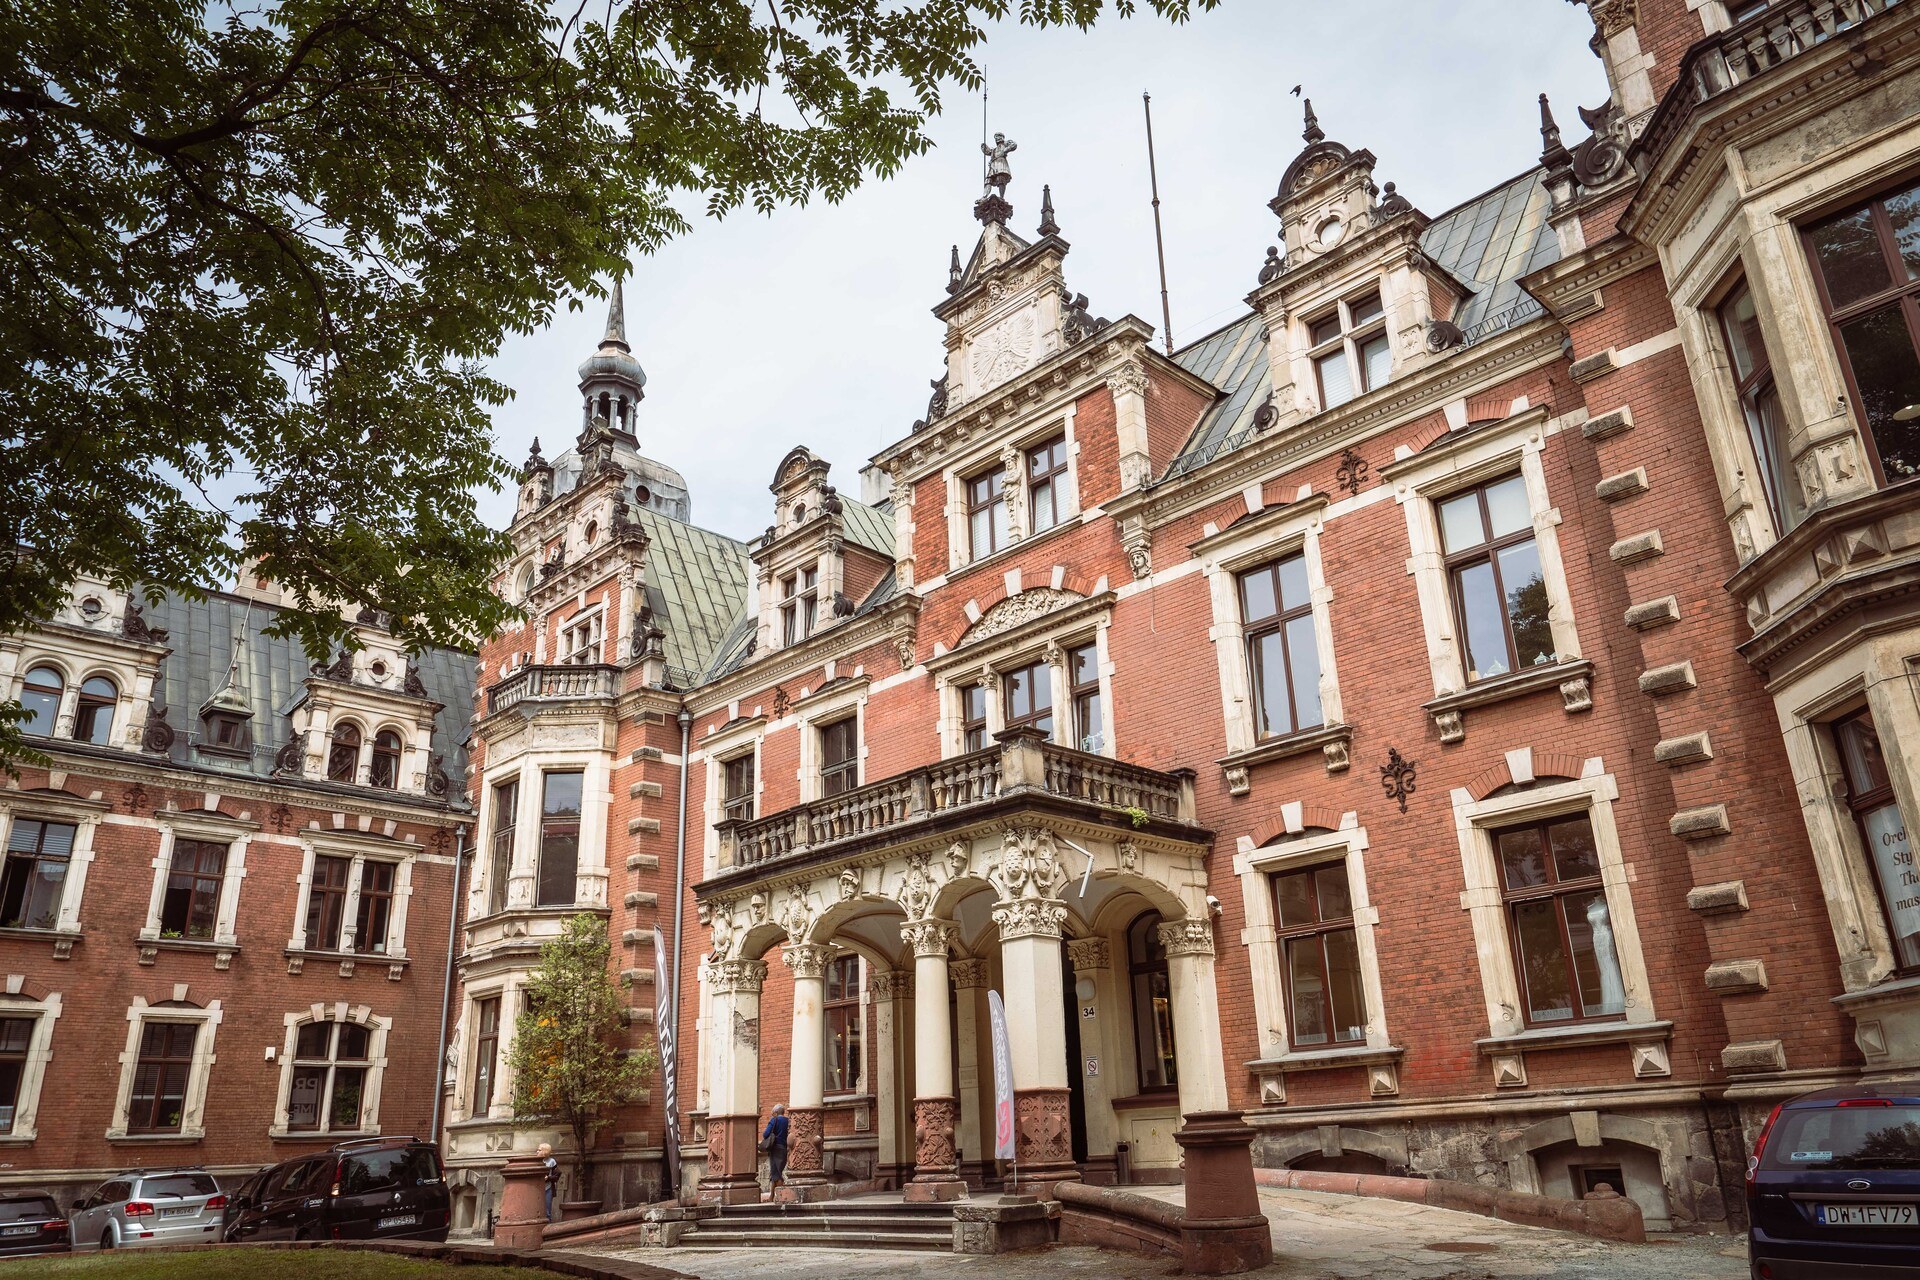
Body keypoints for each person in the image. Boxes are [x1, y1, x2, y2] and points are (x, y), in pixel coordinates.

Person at [761, 1102, 789, 1199]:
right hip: (784, 1148)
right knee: (776, 1172)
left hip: (775, 1148)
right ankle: (772, 1196)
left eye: (773, 1113)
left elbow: (765, 1134)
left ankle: (782, 1197)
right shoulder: (788, 1121)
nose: (772, 1115)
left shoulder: (774, 1120)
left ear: (776, 1113)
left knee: (776, 1174)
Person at [537, 1142, 559, 1220]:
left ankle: (548, 1224)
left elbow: (557, 1175)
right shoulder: (535, 1161)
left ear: (545, 1151)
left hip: (548, 1188)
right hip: (537, 1188)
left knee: (547, 1210)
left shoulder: (552, 1161)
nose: (537, 1152)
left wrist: (548, 1178)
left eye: (539, 1150)